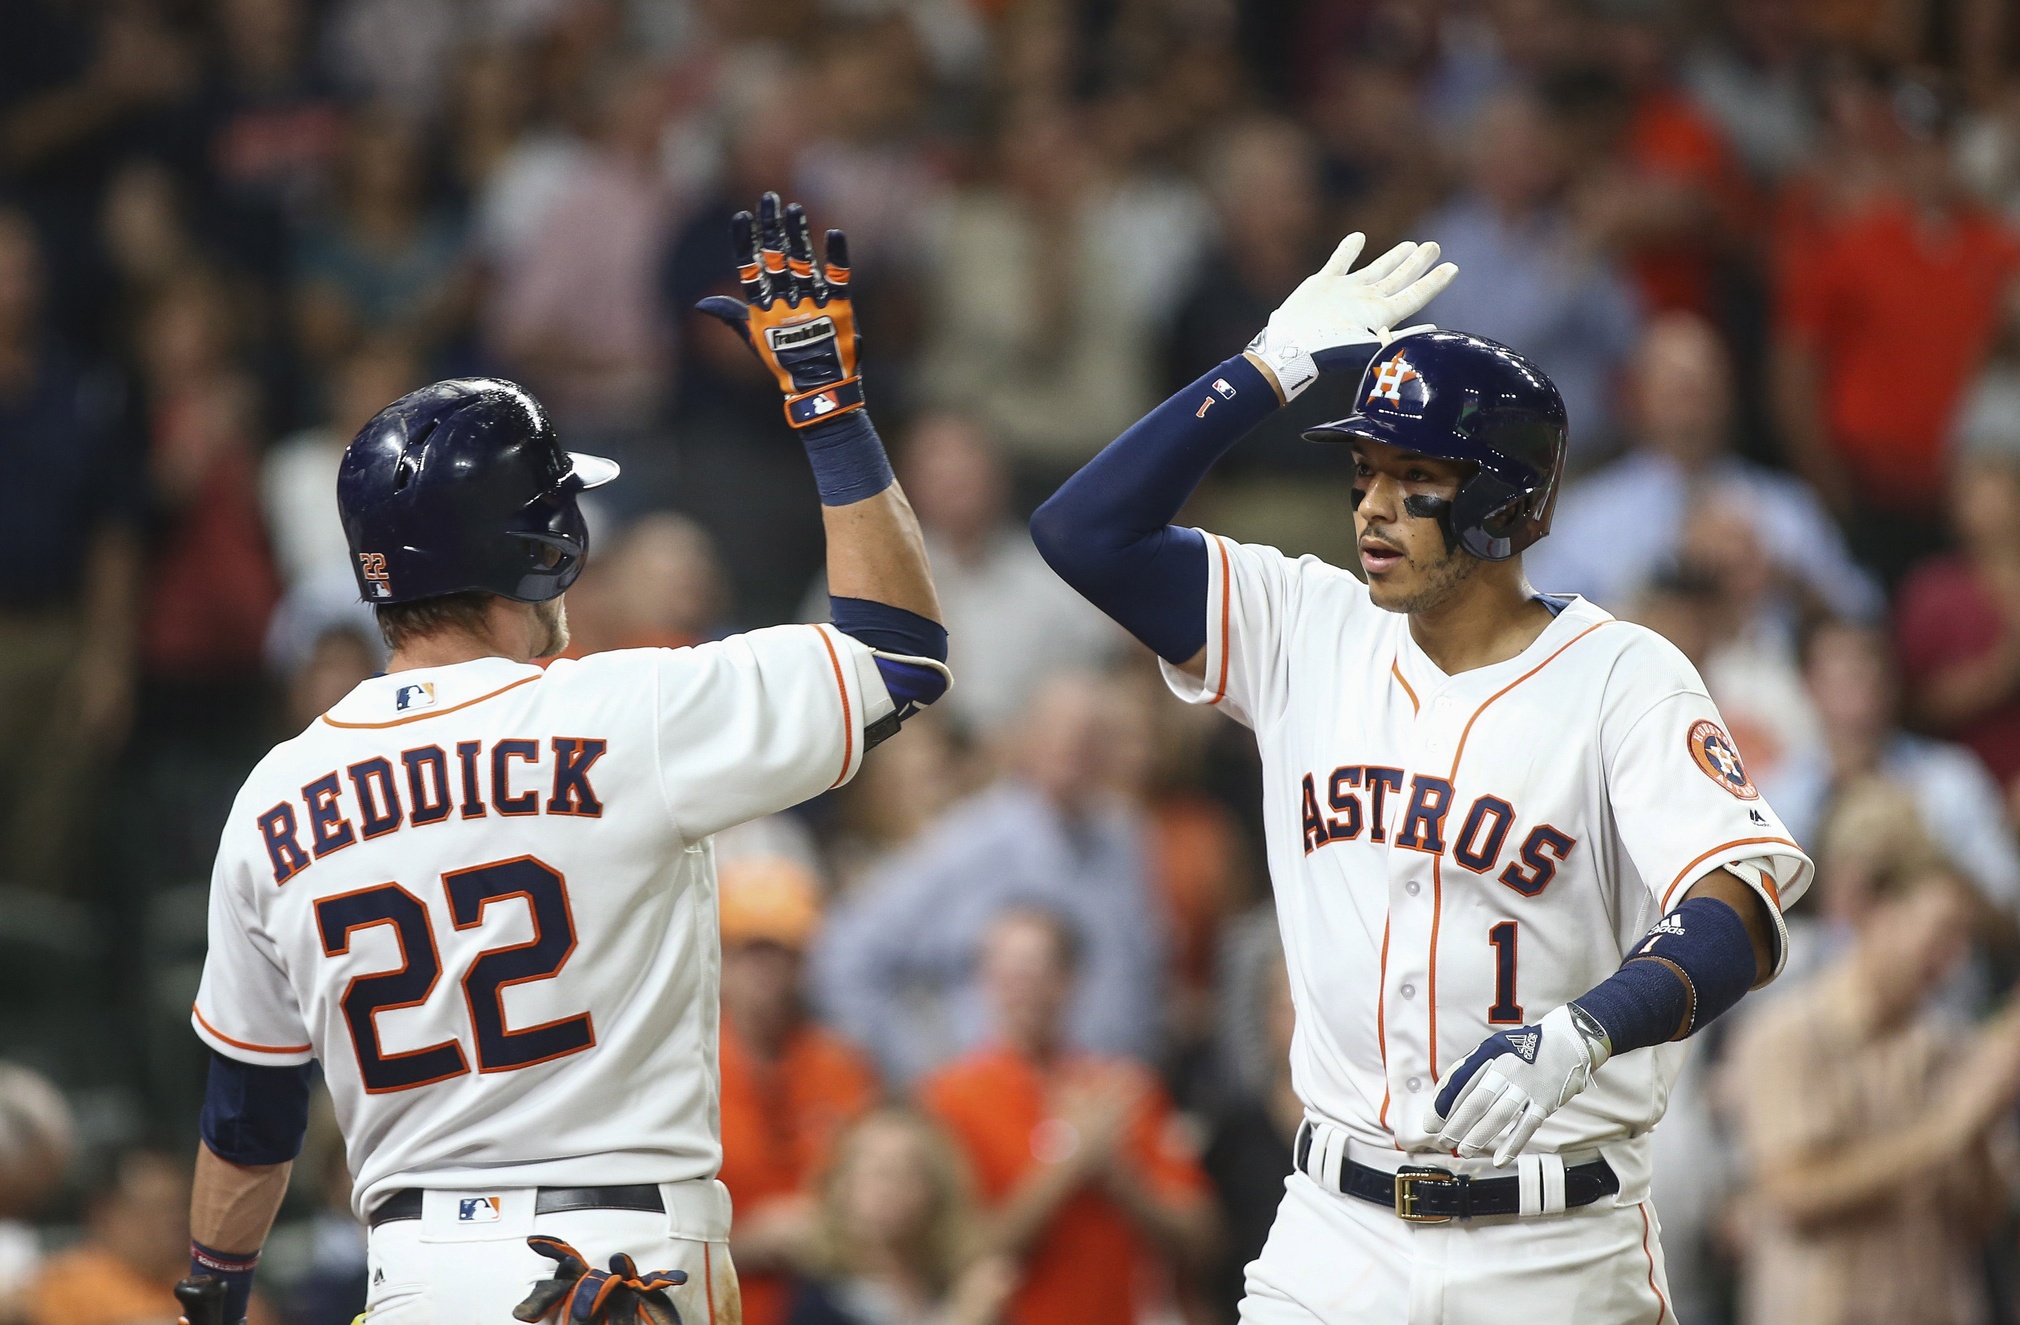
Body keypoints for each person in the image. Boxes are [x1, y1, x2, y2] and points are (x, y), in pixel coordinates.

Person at [179, 193, 950, 1325]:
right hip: (620, 1256)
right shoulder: (628, 706)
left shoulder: (275, 792)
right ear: (546, 550)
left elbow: (248, 1119)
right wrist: (831, 413)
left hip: (412, 1279)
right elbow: (900, 651)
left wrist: (211, 1296)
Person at [1030, 233, 1809, 1321]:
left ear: (1509, 503)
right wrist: (1268, 365)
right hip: (1335, 1235)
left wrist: (1588, 1028)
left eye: (1415, 478)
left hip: (1554, 1247)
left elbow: (1737, 907)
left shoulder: (1623, 675)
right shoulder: (1302, 622)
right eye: (1363, 475)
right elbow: (1082, 532)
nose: (1371, 508)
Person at [1723, 801, 2020, 1325]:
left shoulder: (1947, 1046)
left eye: (1961, 941)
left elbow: (1983, 1216)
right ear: (1874, 911)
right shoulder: (1784, 1035)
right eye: (1939, 933)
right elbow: (1794, 1193)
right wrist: (1949, 1129)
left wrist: (1981, 1119)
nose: (1950, 959)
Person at [813, 672, 1167, 1086]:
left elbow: (1145, 974)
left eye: (1092, 738)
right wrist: (924, 1068)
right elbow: (845, 954)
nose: (1076, 753)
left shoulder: (1125, 839)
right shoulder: (971, 842)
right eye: (1061, 735)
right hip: (988, 1107)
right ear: (1025, 738)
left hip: (1105, 1102)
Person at [919, 908, 1217, 1325]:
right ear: (985, 983)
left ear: (1070, 982)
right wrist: (1071, 1163)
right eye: (1010, 976)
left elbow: (1203, 1237)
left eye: (1039, 974)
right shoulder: (947, 1098)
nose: (1025, 992)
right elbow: (962, 1251)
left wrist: (1123, 1181)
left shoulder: (1124, 1088)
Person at [1525, 310, 1878, 622]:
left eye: (1705, 386)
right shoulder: (1588, 515)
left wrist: (1788, 582)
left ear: (1730, 394)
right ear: (1637, 398)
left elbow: (1863, 613)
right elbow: (1539, 625)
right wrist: (1676, 566)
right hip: (1635, 691)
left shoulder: (1784, 505)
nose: (1693, 405)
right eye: (1677, 390)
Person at [717, 856, 880, 1325]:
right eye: (753, 950)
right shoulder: (687, 1071)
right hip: (719, 1303)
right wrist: (749, 1241)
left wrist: (830, 1233)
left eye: (785, 951)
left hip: (835, 1303)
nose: (768, 970)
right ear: (722, 957)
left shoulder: (843, 1069)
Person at [1895, 369, 2020, 803]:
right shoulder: (1934, 590)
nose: (1973, 495)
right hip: (1962, 794)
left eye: (1991, 478)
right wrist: (1999, 673)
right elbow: (1912, 708)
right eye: (1965, 482)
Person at [787, 1109, 1015, 1325]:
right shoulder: (819, 1302)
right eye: (873, 1170)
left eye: (903, 1171)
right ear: (840, 1185)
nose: (885, 1188)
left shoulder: (957, 1288)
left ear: (936, 1192)